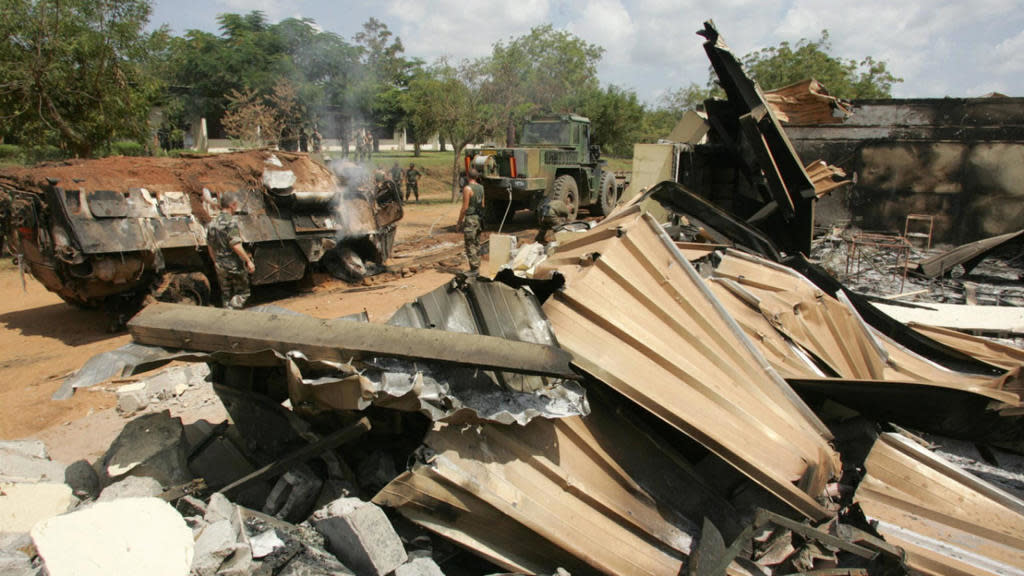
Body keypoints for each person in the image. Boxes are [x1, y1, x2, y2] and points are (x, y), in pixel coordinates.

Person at [206, 191, 256, 309]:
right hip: (233, 264)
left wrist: (216, 261)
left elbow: (210, 246)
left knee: (226, 295)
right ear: (232, 205)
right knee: (243, 293)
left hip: (219, 265)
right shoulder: (231, 222)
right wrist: (248, 260)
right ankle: (233, 314)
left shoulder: (212, 223)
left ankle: (226, 316)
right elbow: (235, 244)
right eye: (236, 204)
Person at [457, 168, 485, 273]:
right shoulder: (481, 188)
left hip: (470, 219)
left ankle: (474, 269)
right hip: (478, 218)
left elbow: (465, 207)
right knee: (477, 243)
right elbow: (482, 204)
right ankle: (477, 265)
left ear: (468, 176)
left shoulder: (467, 189)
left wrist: (459, 222)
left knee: (470, 244)